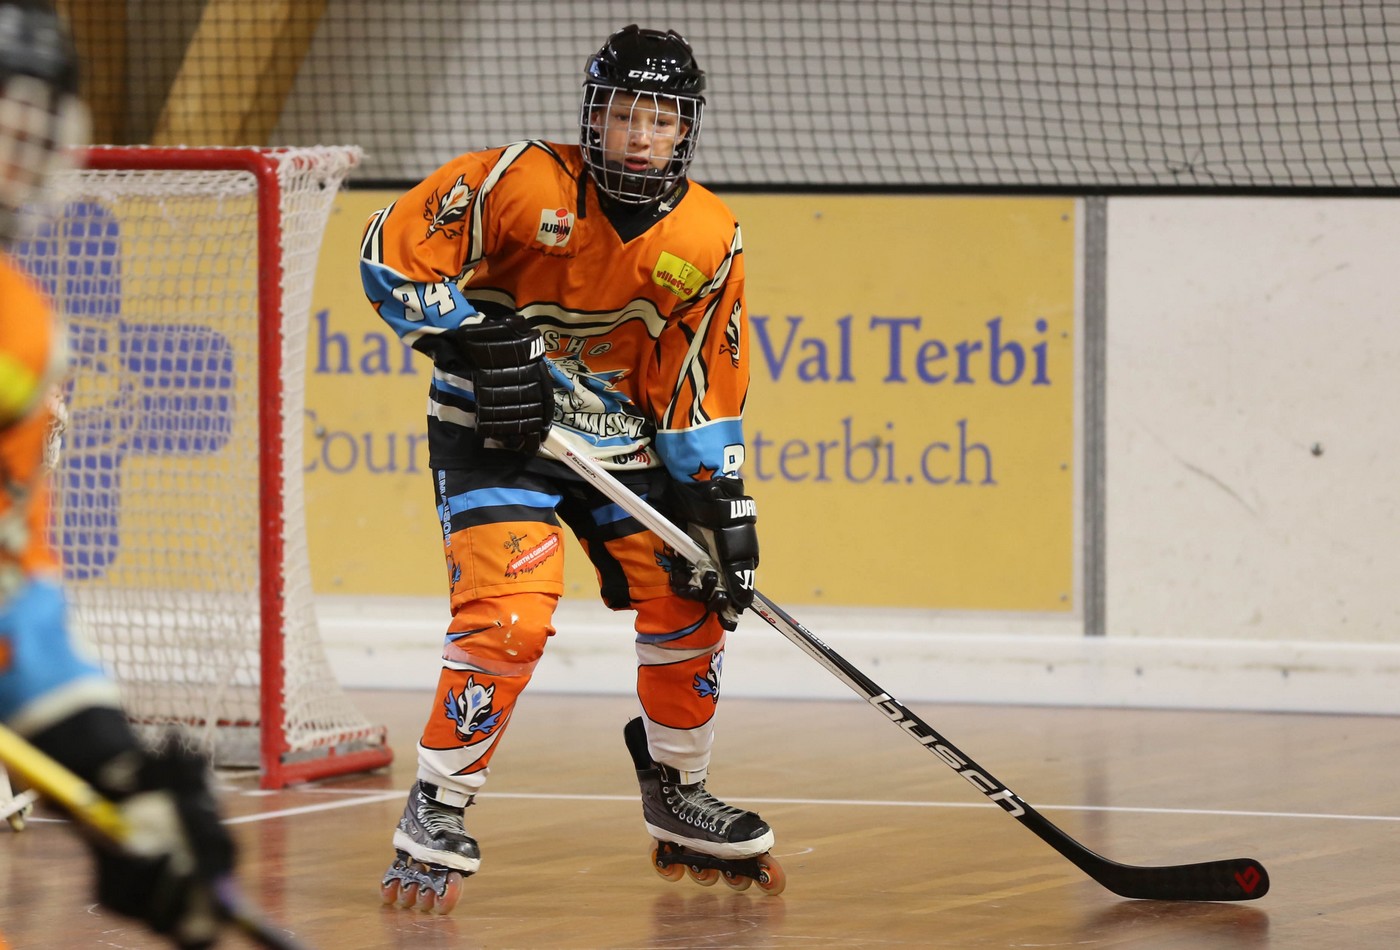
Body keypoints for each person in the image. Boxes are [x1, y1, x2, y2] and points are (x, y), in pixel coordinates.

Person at [361, 24, 783, 909]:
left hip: (618, 444)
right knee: (511, 615)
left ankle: (679, 789)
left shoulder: (709, 236)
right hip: (497, 436)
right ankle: (439, 801)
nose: (640, 135)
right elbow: (392, 252)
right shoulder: (520, 182)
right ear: (594, 117)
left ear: (685, 130)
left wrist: (719, 500)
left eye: (660, 119)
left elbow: (697, 376)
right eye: (624, 113)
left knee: (691, 593)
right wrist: (473, 339)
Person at [0, 2, 235, 946]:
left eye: (24, 125)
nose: (9, 150)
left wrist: (112, 769)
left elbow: (14, 602)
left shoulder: (23, 332)